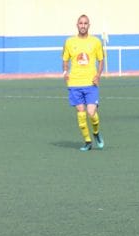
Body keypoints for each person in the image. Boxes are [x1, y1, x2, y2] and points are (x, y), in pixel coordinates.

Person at [62, 14, 105, 151]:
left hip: (90, 83)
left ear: (89, 25)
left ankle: (96, 133)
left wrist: (98, 75)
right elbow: (65, 60)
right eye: (80, 23)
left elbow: (101, 60)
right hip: (74, 83)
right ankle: (87, 141)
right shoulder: (69, 42)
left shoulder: (95, 42)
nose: (83, 25)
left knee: (91, 112)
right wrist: (65, 72)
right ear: (77, 25)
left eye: (85, 23)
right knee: (81, 113)